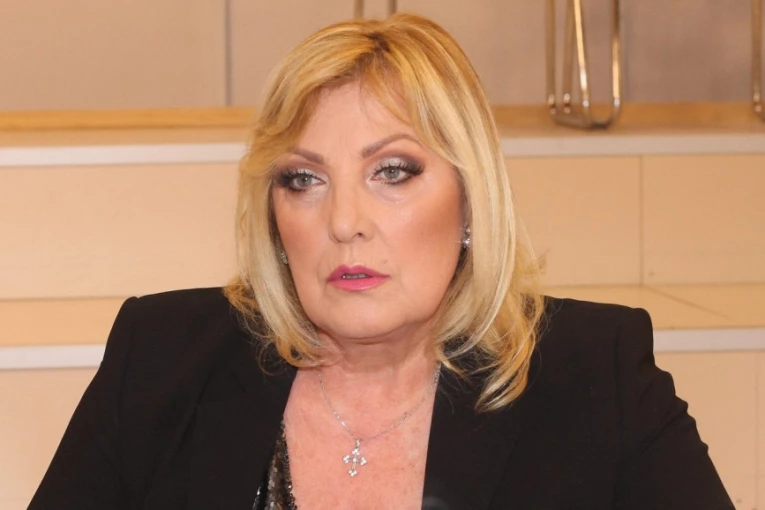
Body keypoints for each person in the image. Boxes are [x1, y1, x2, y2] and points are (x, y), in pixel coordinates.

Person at [29, 13, 733, 510]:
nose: (343, 223)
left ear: (469, 199)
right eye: (303, 179)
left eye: (392, 172)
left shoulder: (597, 375)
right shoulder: (161, 359)